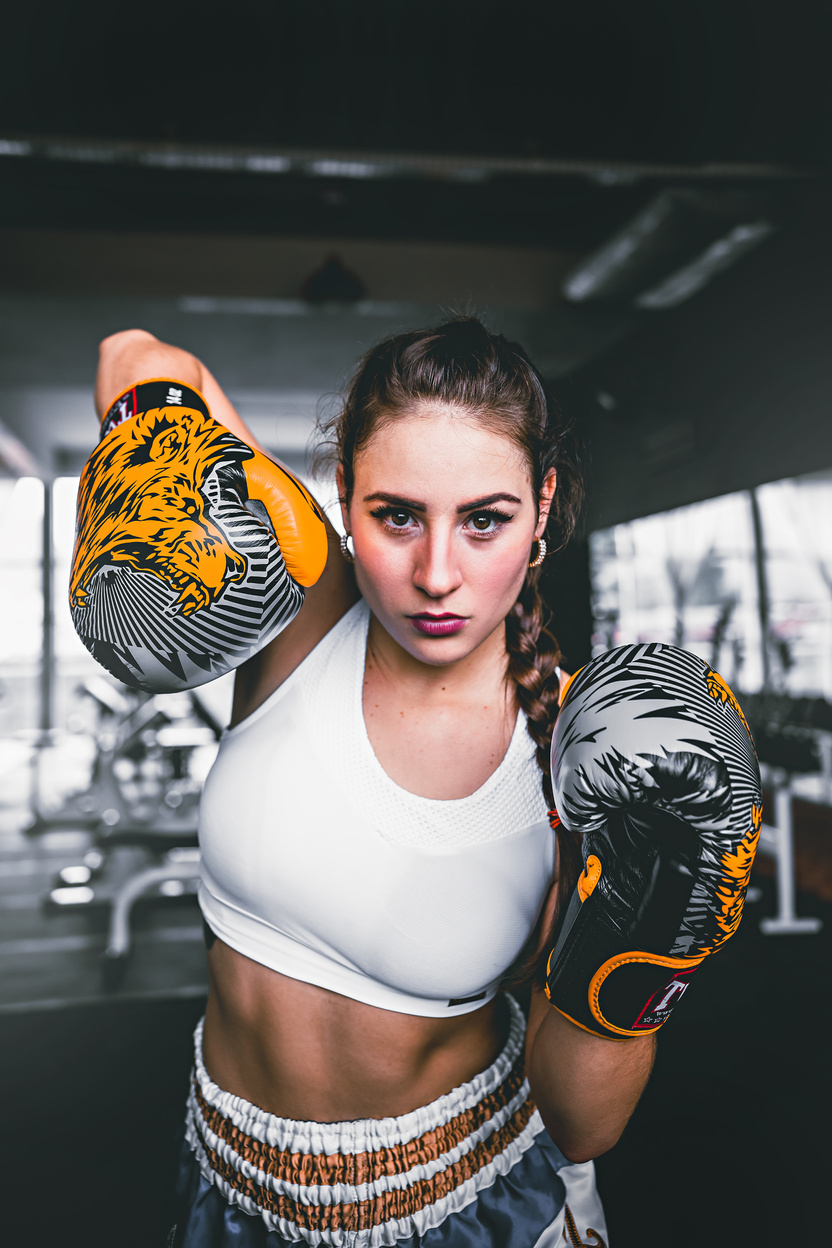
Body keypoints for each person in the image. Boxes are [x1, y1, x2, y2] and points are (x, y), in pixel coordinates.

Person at [77, 318, 759, 1248]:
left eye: (486, 519)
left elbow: (583, 1125)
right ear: (344, 496)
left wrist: (648, 934)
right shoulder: (302, 613)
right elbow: (142, 353)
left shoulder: (583, 749)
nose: (439, 576)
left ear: (543, 501)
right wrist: (153, 450)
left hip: (469, 1210)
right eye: (397, 515)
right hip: (222, 1184)